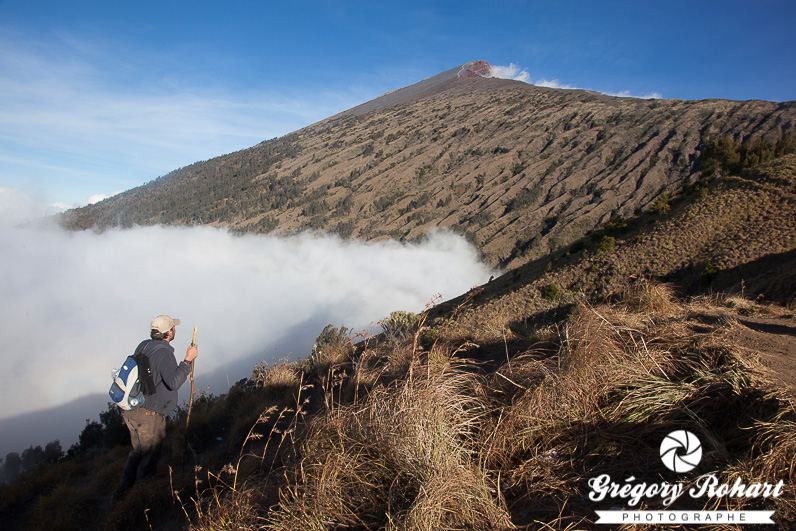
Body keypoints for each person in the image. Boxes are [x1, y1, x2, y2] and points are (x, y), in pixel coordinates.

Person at [113, 315, 198, 501]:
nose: (175, 330)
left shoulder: (144, 345)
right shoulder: (164, 353)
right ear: (169, 332)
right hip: (149, 415)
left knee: (137, 453)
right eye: (173, 328)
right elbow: (174, 382)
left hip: (131, 411)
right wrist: (187, 361)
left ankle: (120, 497)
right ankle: (140, 502)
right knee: (149, 459)